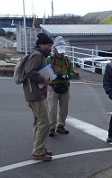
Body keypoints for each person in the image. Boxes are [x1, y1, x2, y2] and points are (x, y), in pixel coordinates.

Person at [23, 33, 53, 161]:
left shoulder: (37, 54)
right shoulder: (37, 55)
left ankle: (40, 147)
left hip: (35, 93)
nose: (50, 48)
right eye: (48, 45)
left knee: (38, 122)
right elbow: (30, 72)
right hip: (35, 94)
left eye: (51, 45)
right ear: (41, 45)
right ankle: (38, 152)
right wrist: (43, 80)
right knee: (45, 122)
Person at [46, 36, 75, 137]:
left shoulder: (67, 60)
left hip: (65, 87)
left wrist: (67, 76)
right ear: (54, 49)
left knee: (64, 109)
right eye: (59, 51)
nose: (61, 53)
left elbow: (72, 72)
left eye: (62, 51)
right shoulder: (49, 60)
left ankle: (60, 126)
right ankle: (51, 127)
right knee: (52, 108)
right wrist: (54, 77)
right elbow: (44, 73)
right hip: (53, 87)